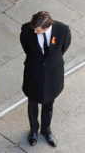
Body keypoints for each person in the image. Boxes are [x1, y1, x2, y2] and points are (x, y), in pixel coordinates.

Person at [20, 11, 71, 148]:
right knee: (32, 104)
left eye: (37, 30)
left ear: (46, 27)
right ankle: (34, 131)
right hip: (33, 74)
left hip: (52, 75)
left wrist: (50, 63)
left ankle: (45, 129)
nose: (34, 32)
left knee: (48, 104)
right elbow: (27, 48)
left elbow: (63, 48)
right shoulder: (26, 29)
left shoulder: (63, 30)